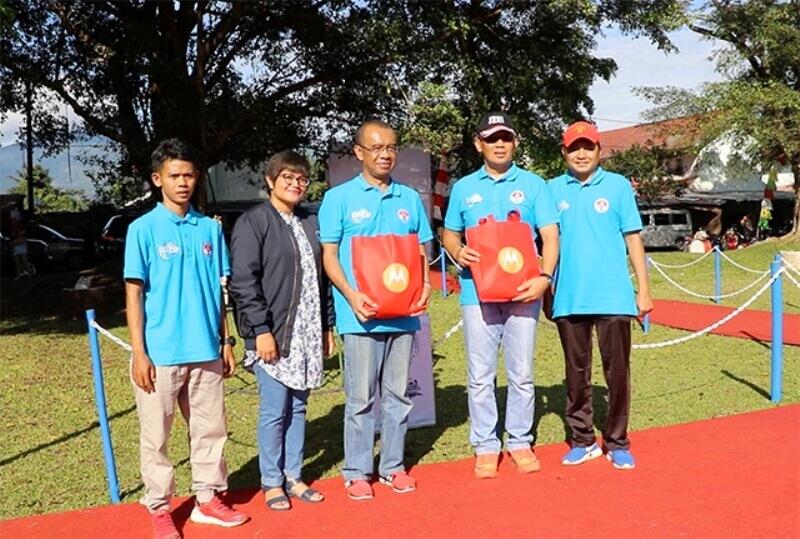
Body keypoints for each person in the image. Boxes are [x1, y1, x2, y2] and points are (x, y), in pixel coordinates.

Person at [124, 139, 249, 539]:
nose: (183, 182)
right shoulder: (142, 229)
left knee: (211, 431)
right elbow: (133, 294)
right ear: (157, 179)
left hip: (205, 349)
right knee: (156, 437)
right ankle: (160, 507)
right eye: (174, 175)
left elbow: (220, 290)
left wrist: (226, 341)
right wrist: (139, 352)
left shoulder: (210, 229)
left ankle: (207, 500)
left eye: (189, 175)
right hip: (160, 353)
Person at [318, 119, 433, 500]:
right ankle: (356, 470)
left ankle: (393, 467)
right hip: (360, 316)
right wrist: (351, 295)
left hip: (403, 313)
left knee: (399, 394)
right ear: (359, 152)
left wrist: (427, 284)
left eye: (391, 148)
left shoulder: (408, 198)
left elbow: (420, 249)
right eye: (377, 147)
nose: (386, 154)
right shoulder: (339, 199)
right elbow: (330, 256)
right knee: (361, 397)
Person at [442, 111, 560, 479]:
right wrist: (457, 252)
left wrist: (544, 277)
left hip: (525, 292)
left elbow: (551, 236)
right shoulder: (463, 187)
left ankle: (520, 442)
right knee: (480, 374)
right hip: (476, 293)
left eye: (505, 137)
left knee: (522, 373)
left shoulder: (534, 184)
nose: (499, 144)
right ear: (479, 143)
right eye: (491, 138)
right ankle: (486, 445)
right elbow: (450, 234)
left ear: (514, 142)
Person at [229, 151, 336, 511]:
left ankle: (294, 475)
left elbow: (321, 280)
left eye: (301, 179)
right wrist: (260, 329)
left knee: (300, 407)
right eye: (287, 178)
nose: (295, 184)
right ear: (271, 180)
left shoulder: (310, 221)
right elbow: (243, 282)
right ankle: (272, 481)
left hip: (307, 331)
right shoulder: (253, 222)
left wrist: (326, 326)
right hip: (273, 333)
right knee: (275, 409)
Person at [548, 121, 653, 470]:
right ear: (564, 152)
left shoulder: (618, 186)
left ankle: (618, 441)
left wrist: (644, 289)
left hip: (614, 296)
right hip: (569, 296)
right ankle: (582, 440)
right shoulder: (551, 190)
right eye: (574, 147)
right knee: (576, 373)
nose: (581, 153)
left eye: (588, 146)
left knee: (617, 373)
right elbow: (545, 243)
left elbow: (633, 238)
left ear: (599, 150)